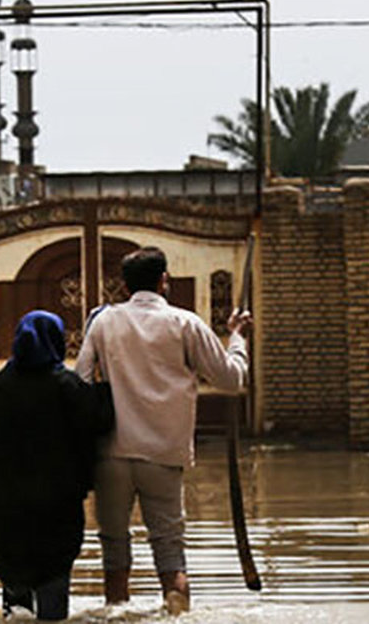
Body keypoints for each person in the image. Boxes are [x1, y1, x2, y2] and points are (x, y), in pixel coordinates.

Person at [76, 246, 251, 614]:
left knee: (113, 547)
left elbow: (78, 380)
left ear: (124, 287)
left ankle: (116, 611)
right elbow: (232, 379)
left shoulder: (104, 323)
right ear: (164, 280)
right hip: (163, 456)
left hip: (111, 455)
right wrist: (237, 338)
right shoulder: (185, 324)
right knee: (170, 550)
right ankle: (175, 609)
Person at [0, 310, 115, 621]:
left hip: (4, 518)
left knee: (16, 606)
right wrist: (103, 383)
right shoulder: (66, 386)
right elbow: (100, 420)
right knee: (53, 602)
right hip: (55, 515)